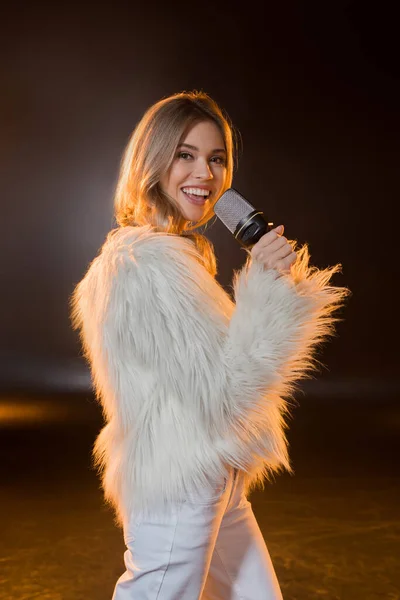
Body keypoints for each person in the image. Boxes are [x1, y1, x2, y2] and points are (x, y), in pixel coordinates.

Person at [70, 90, 350, 599]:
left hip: (211, 471)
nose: (206, 173)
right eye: (185, 154)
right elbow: (227, 393)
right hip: (181, 482)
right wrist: (266, 285)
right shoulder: (146, 267)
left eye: (216, 158)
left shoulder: (166, 258)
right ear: (152, 162)